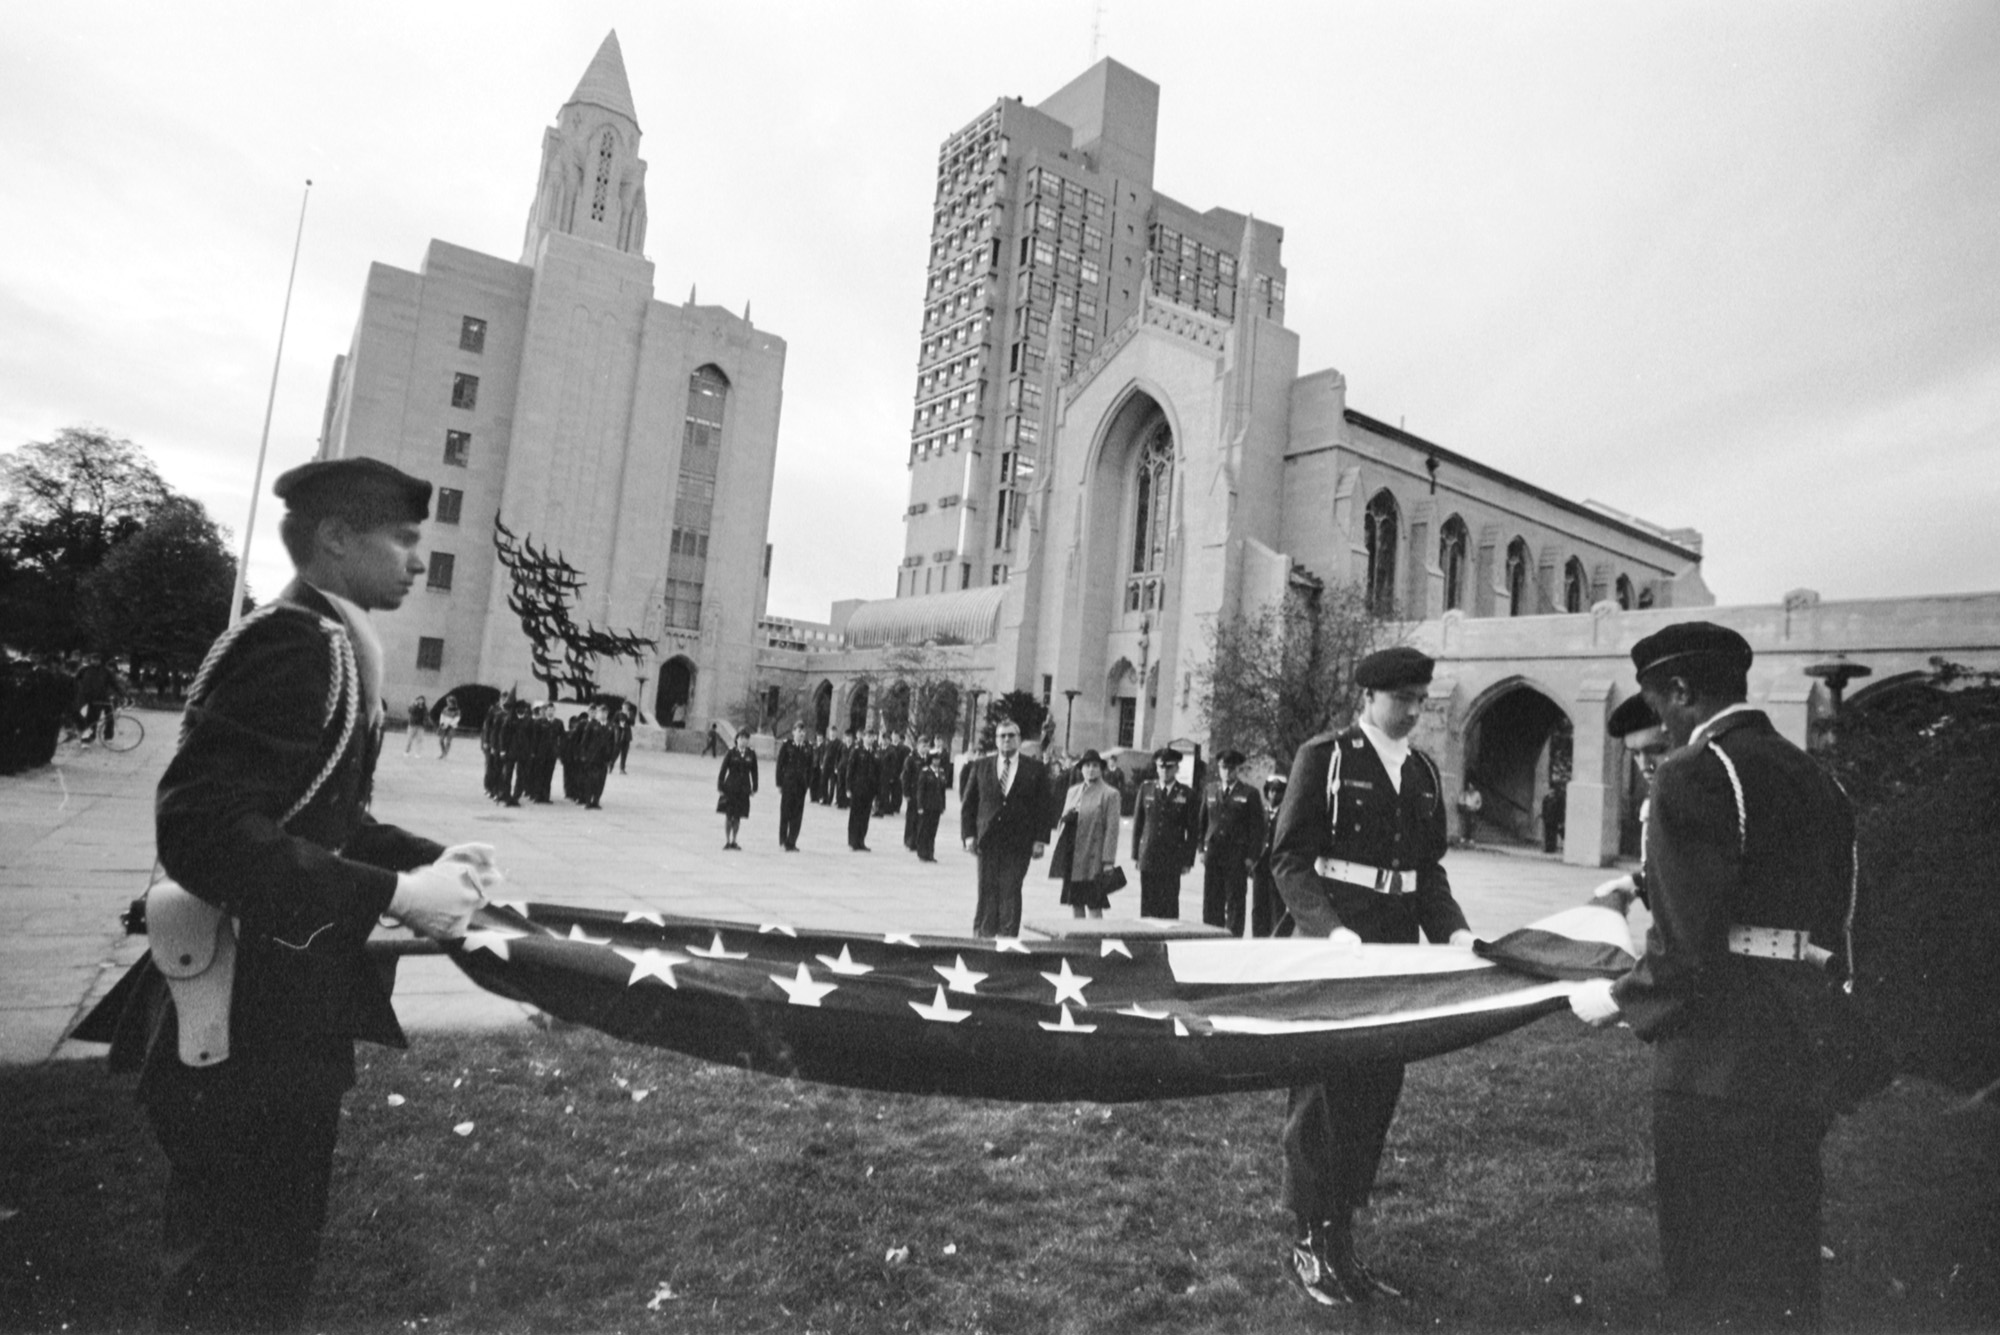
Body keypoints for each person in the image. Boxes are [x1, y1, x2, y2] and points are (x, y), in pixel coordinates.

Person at [74, 456, 496, 1332]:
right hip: (243, 1017)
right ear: (339, 539)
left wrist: (428, 859)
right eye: (405, 539)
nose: (419, 561)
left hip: (281, 1009)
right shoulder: (291, 642)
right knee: (231, 1276)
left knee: (265, 1263)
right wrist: (395, 892)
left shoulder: (332, 641)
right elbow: (203, 827)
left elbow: (319, 814)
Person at [1568, 622, 1861, 1332]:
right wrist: (1643, 882)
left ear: (1682, 691)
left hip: (1714, 1066)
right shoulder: (1812, 775)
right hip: (1797, 1048)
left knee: (1710, 1276)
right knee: (1784, 1264)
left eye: (1660, 703)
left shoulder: (1694, 771)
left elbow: (1689, 949)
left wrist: (1612, 996)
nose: (1663, 723)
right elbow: (1792, 888)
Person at [1270, 645, 1474, 1306]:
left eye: (1420, 698)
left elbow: (1427, 872)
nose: (1414, 710)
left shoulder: (1420, 772)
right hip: (1333, 951)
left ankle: (1341, 1238)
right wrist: (1330, 929)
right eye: (1402, 699)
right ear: (1368, 697)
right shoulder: (1324, 758)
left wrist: (1456, 933)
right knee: (1323, 1095)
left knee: (1375, 1093)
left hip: (1393, 953)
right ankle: (1308, 1238)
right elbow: (1289, 860)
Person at [959, 718, 1053, 937]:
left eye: (1011, 735)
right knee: (986, 889)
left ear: (1019, 740)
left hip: (1018, 841)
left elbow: (1044, 807)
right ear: (996, 740)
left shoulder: (1035, 769)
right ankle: (983, 937)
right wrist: (969, 836)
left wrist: (1040, 840)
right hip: (988, 839)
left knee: (1011, 889)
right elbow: (969, 803)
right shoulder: (981, 766)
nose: (1007, 740)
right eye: (1002, 736)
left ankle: (1008, 939)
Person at [1198, 749, 1266, 936]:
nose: (1226, 773)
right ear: (1218, 769)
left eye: (1230, 769)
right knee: (1212, 900)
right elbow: (1203, 821)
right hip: (1213, 854)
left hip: (1236, 857)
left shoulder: (1249, 793)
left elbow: (1257, 829)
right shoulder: (1211, 790)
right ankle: (1210, 936)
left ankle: (1233, 938)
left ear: (1237, 770)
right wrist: (1201, 849)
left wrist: (1252, 857)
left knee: (1235, 902)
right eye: (1223, 768)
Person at [1131, 746, 1199, 918]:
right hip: (1149, 854)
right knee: (1147, 904)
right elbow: (1138, 824)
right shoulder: (1146, 789)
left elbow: (1192, 831)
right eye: (1161, 767)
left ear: (1176, 768)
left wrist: (1187, 860)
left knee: (1169, 904)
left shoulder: (1187, 794)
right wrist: (1136, 855)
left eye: (1169, 767)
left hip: (1172, 857)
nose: (1164, 771)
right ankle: (1148, 941)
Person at [1055, 749, 1122, 919]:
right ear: (1081, 769)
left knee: (1094, 904)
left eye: (1095, 766)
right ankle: (1079, 943)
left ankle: (1096, 942)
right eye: (1087, 766)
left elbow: (1112, 830)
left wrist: (1108, 861)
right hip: (1073, 855)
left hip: (1094, 859)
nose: (1090, 769)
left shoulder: (1110, 794)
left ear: (1101, 769)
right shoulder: (1073, 791)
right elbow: (1062, 820)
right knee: (1076, 902)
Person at [1250, 774, 1291, 937]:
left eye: (1278, 791)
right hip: (1260, 865)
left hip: (1277, 867)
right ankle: (1258, 937)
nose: (1274, 795)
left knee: (1276, 907)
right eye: (1271, 791)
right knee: (1258, 906)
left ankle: (1275, 939)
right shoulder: (1261, 812)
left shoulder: (1287, 814)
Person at [716, 729, 759, 849]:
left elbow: (754, 772)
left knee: (738, 816)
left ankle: (734, 840)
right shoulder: (731, 753)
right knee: (729, 815)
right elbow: (723, 770)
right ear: (737, 740)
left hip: (743, 788)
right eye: (741, 738)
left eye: (745, 739)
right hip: (730, 788)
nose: (743, 741)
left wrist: (755, 787)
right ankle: (727, 840)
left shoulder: (751, 754)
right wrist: (720, 786)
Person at [775, 720, 814, 851]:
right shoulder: (787, 746)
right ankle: (782, 841)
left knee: (797, 815)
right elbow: (780, 765)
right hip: (788, 784)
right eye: (799, 731)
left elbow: (810, 768)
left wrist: (807, 783)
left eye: (803, 731)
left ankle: (792, 841)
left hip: (801, 786)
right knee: (785, 813)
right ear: (793, 732)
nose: (802, 734)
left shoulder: (808, 748)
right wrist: (779, 783)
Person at [841, 730, 881, 850]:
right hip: (858, 788)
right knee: (855, 816)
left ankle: (861, 841)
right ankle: (853, 841)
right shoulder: (857, 751)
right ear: (863, 738)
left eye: (872, 737)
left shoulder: (875, 753)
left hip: (869, 790)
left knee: (865, 817)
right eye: (868, 736)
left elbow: (878, 773)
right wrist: (848, 787)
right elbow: (850, 770)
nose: (870, 739)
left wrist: (877, 792)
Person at [912, 750, 950, 861]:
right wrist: (919, 806)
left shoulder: (941, 772)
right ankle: (922, 852)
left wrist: (943, 806)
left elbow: (942, 792)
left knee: (933, 831)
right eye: (934, 759)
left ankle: (930, 853)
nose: (937, 761)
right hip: (926, 806)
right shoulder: (925, 772)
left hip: (936, 806)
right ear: (930, 760)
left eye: (938, 759)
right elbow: (920, 790)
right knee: (924, 830)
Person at [1541, 784, 1566, 853]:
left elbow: (1558, 810)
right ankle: (1547, 848)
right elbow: (1544, 808)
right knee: (1547, 833)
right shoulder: (1546, 798)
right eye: (1550, 789)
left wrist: (1559, 819)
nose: (1550, 791)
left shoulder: (1556, 799)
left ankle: (1551, 848)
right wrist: (1544, 816)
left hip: (1553, 819)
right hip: (1547, 819)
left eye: (1552, 790)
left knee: (1552, 834)